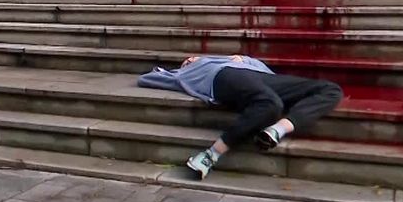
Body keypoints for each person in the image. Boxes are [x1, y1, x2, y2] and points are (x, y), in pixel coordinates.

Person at [137, 55, 343, 179]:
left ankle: (278, 129)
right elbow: (146, 78)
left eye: (190, 59)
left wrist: (240, 58)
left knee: (330, 89)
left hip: (262, 78)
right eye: (186, 62)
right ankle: (210, 154)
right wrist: (177, 69)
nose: (189, 60)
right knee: (270, 104)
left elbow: (259, 67)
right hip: (223, 77)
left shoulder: (232, 58)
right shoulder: (186, 73)